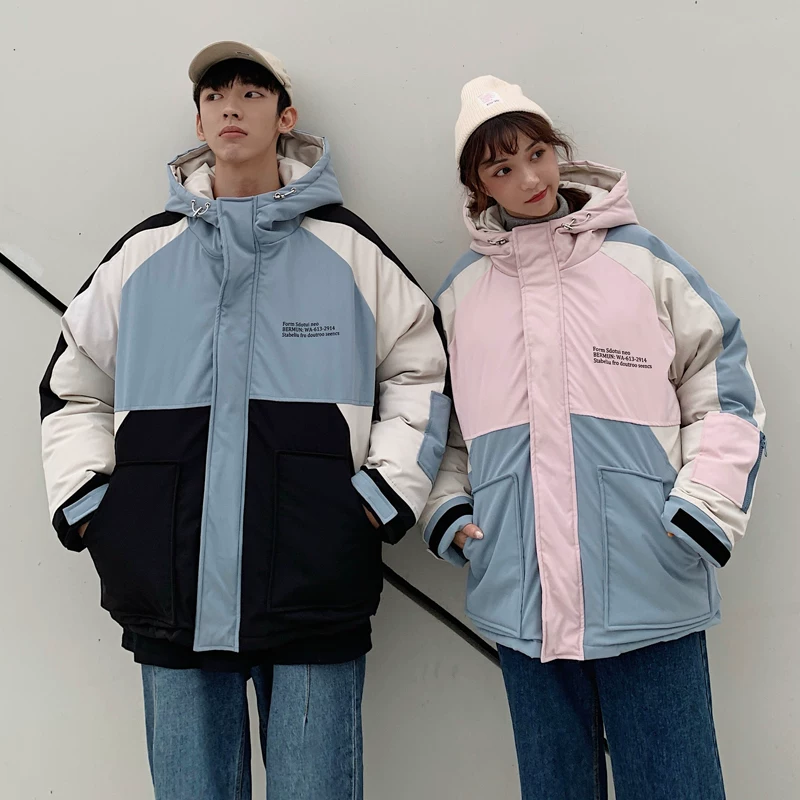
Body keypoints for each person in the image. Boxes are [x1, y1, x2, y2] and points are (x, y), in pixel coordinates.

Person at [40, 40, 448, 800]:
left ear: (285, 118)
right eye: (214, 95)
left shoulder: (348, 249)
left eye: (252, 93)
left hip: (314, 578)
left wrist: (382, 496)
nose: (231, 106)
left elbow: (421, 371)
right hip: (169, 584)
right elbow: (74, 386)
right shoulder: (143, 254)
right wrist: (93, 506)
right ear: (199, 122)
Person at [421, 75, 766, 800]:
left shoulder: (642, 262)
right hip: (522, 592)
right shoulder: (462, 294)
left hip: (649, 575)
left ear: (559, 152)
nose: (529, 179)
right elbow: (437, 424)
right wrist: (449, 510)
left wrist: (706, 504)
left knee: (675, 785)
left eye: (537, 154)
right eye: (502, 169)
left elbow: (724, 386)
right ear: (479, 189)